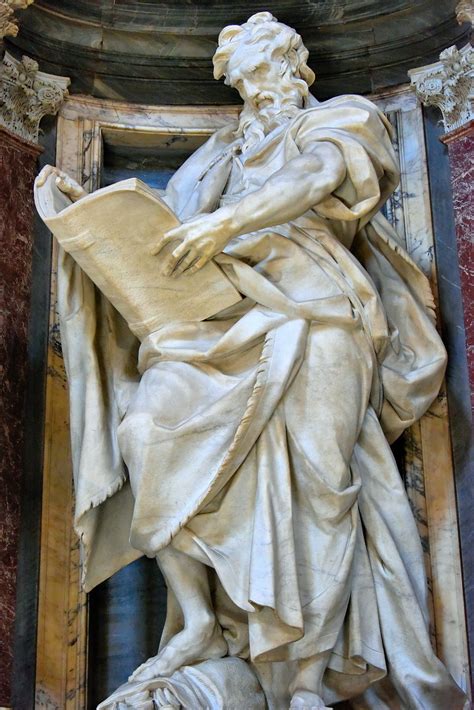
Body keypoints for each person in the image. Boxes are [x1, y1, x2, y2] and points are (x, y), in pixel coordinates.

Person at [36, 12, 468, 710]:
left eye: (258, 70)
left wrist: (228, 224)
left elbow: (314, 176)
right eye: (238, 79)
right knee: (145, 431)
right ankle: (201, 620)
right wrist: (94, 230)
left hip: (323, 318)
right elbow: (161, 234)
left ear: (292, 64)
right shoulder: (218, 156)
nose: (249, 88)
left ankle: (304, 680)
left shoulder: (344, 121)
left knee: (324, 483)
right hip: (216, 328)